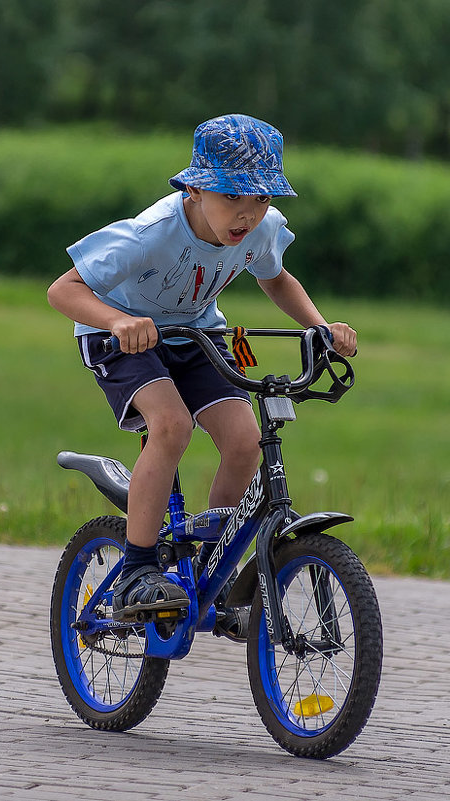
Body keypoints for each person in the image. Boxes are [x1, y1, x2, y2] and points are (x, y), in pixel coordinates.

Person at [47, 114, 357, 626]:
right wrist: (119, 321)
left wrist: (321, 328)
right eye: (233, 196)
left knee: (245, 442)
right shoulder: (150, 235)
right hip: (122, 335)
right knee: (172, 425)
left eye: (261, 198)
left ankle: (212, 559)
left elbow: (277, 279)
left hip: (199, 335)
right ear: (195, 187)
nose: (248, 214)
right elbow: (63, 290)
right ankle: (138, 568)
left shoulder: (260, 230)